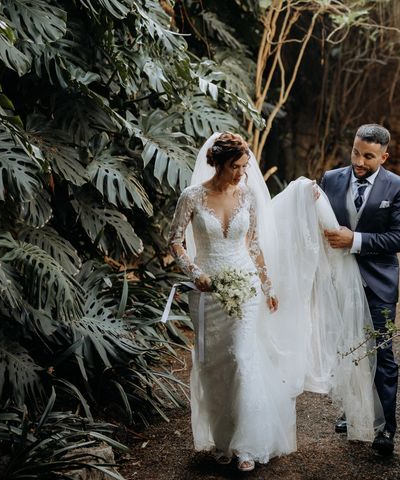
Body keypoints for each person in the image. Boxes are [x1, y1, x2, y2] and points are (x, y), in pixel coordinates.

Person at [168, 133, 295, 472]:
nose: (241, 173)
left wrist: (267, 286)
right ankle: (223, 440)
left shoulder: (249, 196)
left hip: (245, 287)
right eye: (235, 167)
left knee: (241, 356)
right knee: (213, 364)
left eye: (244, 166)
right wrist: (195, 272)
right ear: (218, 163)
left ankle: (248, 445)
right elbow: (176, 242)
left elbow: (252, 245)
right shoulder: (191, 197)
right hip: (207, 290)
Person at [321, 124, 400, 455]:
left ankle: (386, 428)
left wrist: (355, 240)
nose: (359, 161)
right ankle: (354, 412)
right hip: (339, 282)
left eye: (369, 156)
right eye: (356, 152)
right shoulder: (330, 179)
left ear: (384, 156)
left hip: (378, 284)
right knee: (346, 347)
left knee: (382, 354)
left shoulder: (398, 187)